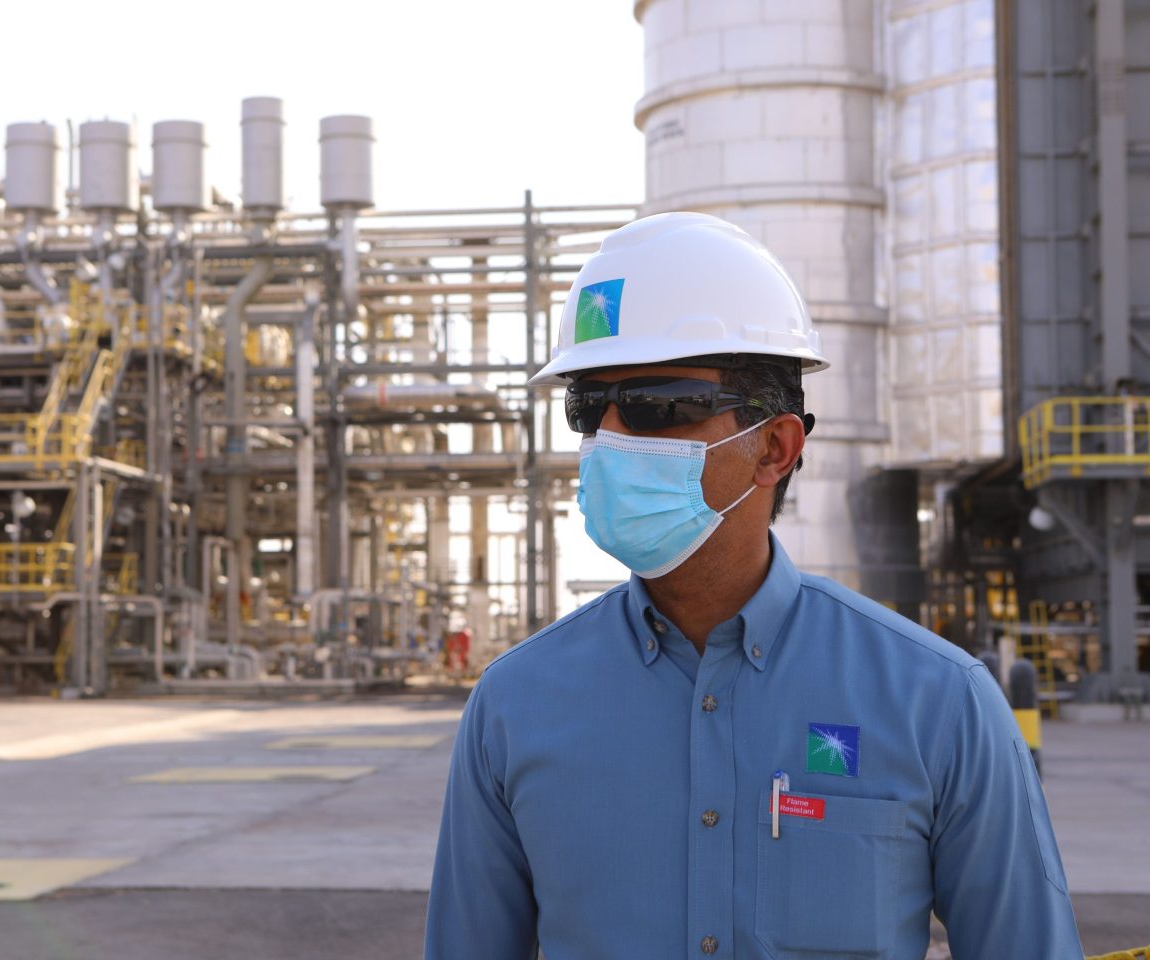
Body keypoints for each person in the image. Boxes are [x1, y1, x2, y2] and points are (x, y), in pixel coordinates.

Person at [424, 213, 1083, 959]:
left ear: (775, 446)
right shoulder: (514, 705)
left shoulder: (938, 702)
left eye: (654, 406)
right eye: (587, 409)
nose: (609, 441)